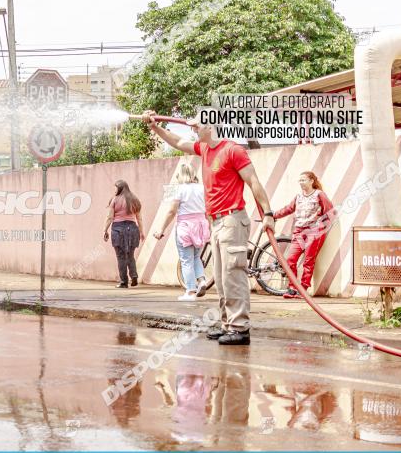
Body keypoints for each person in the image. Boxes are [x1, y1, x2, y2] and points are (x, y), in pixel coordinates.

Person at [143, 110, 274, 345]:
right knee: (222, 278)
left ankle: (240, 328)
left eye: (197, 125)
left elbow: (253, 181)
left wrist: (268, 214)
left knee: (233, 275)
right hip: (215, 221)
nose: (193, 128)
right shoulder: (204, 150)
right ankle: (228, 324)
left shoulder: (233, 150)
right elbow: (177, 141)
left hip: (232, 219)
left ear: (211, 126)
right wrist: (156, 127)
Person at [153, 163, 210, 301]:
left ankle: (190, 291)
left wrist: (161, 229)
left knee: (186, 260)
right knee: (196, 257)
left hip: (185, 227)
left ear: (180, 175)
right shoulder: (202, 188)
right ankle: (201, 280)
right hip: (201, 225)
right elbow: (208, 209)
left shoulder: (179, 189)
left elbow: (172, 211)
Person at [273, 171, 334, 299]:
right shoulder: (298, 196)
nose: (301, 183)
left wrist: (320, 226)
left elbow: (330, 211)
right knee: (290, 260)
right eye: (299, 181)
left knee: (308, 261)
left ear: (311, 181)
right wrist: (273, 215)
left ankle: (303, 289)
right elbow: (289, 209)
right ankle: (292, 287)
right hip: (299, 232)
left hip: (314, 232)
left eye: (303, 180)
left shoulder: (319, 195)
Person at [102, 180, 145, 288]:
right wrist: (141, 232)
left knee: (121, 257)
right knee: (130, 255)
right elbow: (139, 218)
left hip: (118, 229)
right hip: (132, 228)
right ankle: (134, 275)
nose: (114, 190)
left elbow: (110, 217)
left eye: (115, 188)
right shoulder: (135, 199)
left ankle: (123, 282)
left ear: (120, 188)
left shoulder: (115, 199)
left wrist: (105, 230)